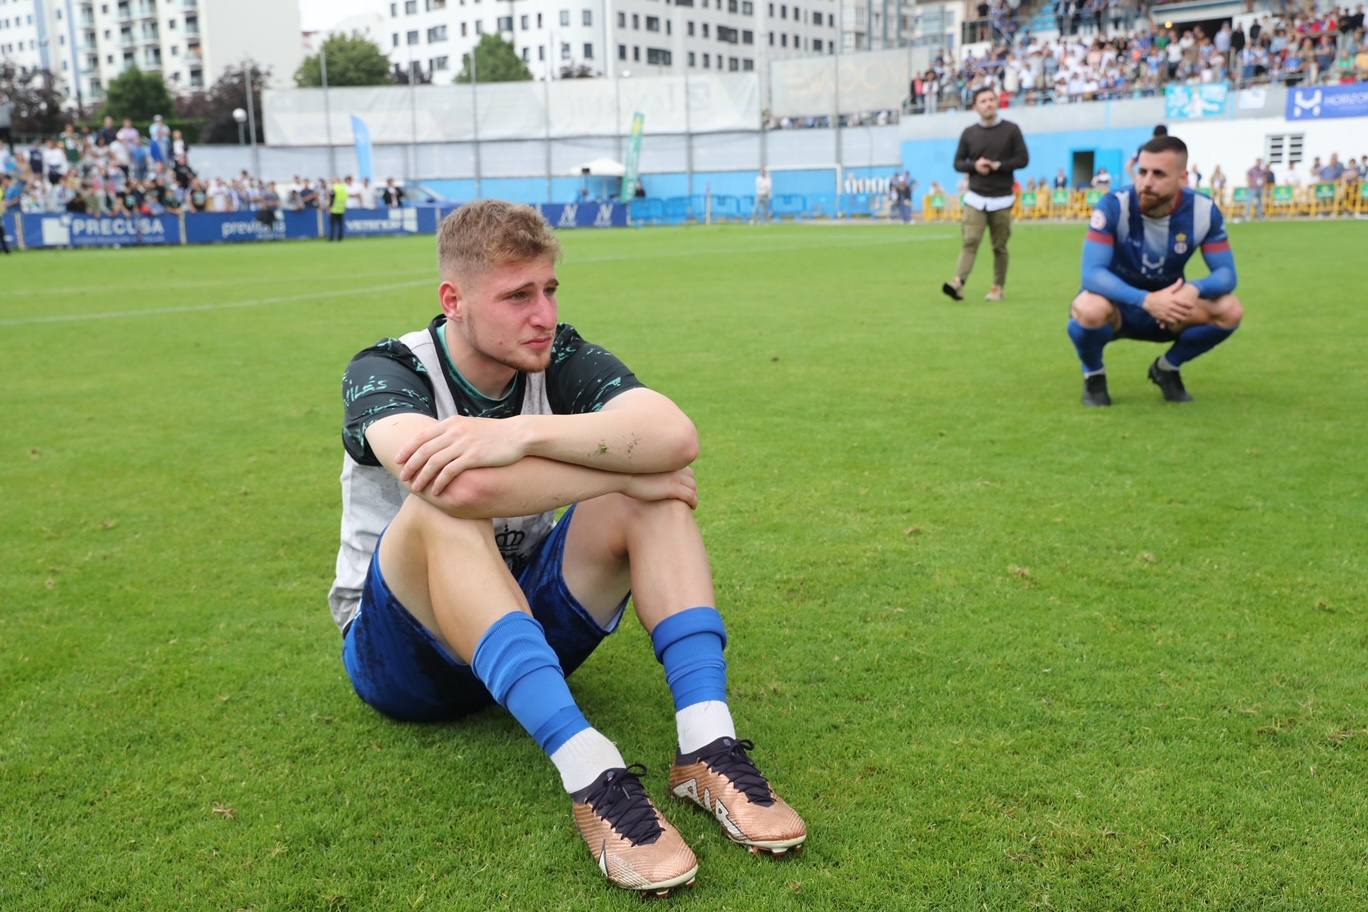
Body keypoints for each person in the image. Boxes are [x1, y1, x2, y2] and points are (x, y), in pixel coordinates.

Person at [329, 201, 805, 895]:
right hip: (404, 654)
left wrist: (521, 436)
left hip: (514, 616)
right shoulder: (386, 369)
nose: (543, 314)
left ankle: (707, 742)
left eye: (549, 289)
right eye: (518, 295)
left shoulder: (558, 357)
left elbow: (674, 437)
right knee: (441, 505)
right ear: (453, 301)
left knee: (655, 495)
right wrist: (622, 466)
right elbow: (456, 490)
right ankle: (592, 774)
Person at [1066, 135, 1242, 407]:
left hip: (1170, 311)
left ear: (1183, 178)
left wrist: (1194, 288)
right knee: (1088, 308)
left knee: (1230, 310)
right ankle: (1094, 375)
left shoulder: (1203, 211)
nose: (1146, 182)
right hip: (1120, 307)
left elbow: (1227, 275)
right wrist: (1146, 300)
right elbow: (1092, 274)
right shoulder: (1114, 206)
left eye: (1158, 174)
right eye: (1142, 171)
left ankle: (1167, 368)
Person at [943, 86, 1029, 303]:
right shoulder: (969, 133)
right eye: (983, 101)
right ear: (975, 107)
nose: (988, 104)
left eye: (991, 99)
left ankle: (998, 287)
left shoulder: (1011, 130)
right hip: (976, 197)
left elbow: (1023, 159)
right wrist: (974, 166)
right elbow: (958, 163)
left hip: (1002, 198)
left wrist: (999, 165)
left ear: (997, 102)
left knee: (999, 246)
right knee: (970, 241)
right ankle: (958, 283)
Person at [328, 176, 348, 241]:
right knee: (340, 224)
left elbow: (332, 198)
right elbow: (345, 198)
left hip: (334, 209)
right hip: (341, 208)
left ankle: (331, 238)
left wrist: (330, 207)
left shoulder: (334, 188)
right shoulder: (344, 188)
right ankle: (340, 238)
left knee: (333, 224)